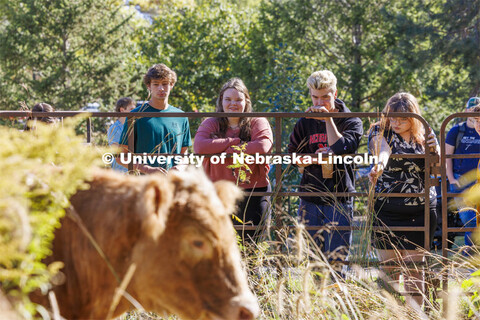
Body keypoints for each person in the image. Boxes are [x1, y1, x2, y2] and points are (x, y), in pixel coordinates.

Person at [368, 92, 439, 307]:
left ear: (413, 117)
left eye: (402, 119)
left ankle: (414, 314)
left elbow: (436, 167)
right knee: (388, 269)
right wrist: (379, 166)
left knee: (415, 271)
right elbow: (382, 151)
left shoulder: (424, 131)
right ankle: (389, 314)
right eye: (392, 117)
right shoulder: (379, 130)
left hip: (421, 209)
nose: (395, 123)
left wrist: (434, 148)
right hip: (388, 209)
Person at [288, 70, 363, 260]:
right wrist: (315, 158)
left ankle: (337, 290)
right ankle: (314, 291)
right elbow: (292, 156)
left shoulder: (351, 120)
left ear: (335, 94)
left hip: (339, 197)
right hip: (310, 196)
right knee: (313, 259)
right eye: (315, 97)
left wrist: (327, 118)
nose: (319, 103)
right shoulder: (305, 122)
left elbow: (341, 146)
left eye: (325, 97)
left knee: (338, 259)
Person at [194, 78, 273, 241]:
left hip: (253, 192)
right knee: (219, 245)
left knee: (252, 246)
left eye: (238, 99)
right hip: (218, 191)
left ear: (246, 102)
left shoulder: (257, 122)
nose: (233, 104)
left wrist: (222, 148)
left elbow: (263, 146)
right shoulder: (211, 123)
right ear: (221, 101)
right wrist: (234, 142)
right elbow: (200, 147)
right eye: (228, 99)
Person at [118, 64, 192, 174]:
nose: (161, 88)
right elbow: (121, 156)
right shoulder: (135, 115)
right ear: (149, 86)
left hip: (172, 183)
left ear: (171, 85)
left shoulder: (181, 116)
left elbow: (184, 154)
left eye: (165, 84)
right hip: (143, 184)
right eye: (156, 84)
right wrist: (147, 169)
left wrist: (179, 168)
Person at [446, 96, 480, 249]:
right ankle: (471, 256)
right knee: (470, 221)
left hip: (478, 182)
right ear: (466, 111)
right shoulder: (456, 131)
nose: (477, 123)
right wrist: (451, 179)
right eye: (471, 109)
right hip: (461, 181)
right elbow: (447, 157)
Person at [107, 97, 136, 172]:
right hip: (120, 171)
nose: (135, 111)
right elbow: (117, 150)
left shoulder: (133, 126)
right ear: (122, 110)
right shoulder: (114, 129)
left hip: (133, 168)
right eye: (131, 109)